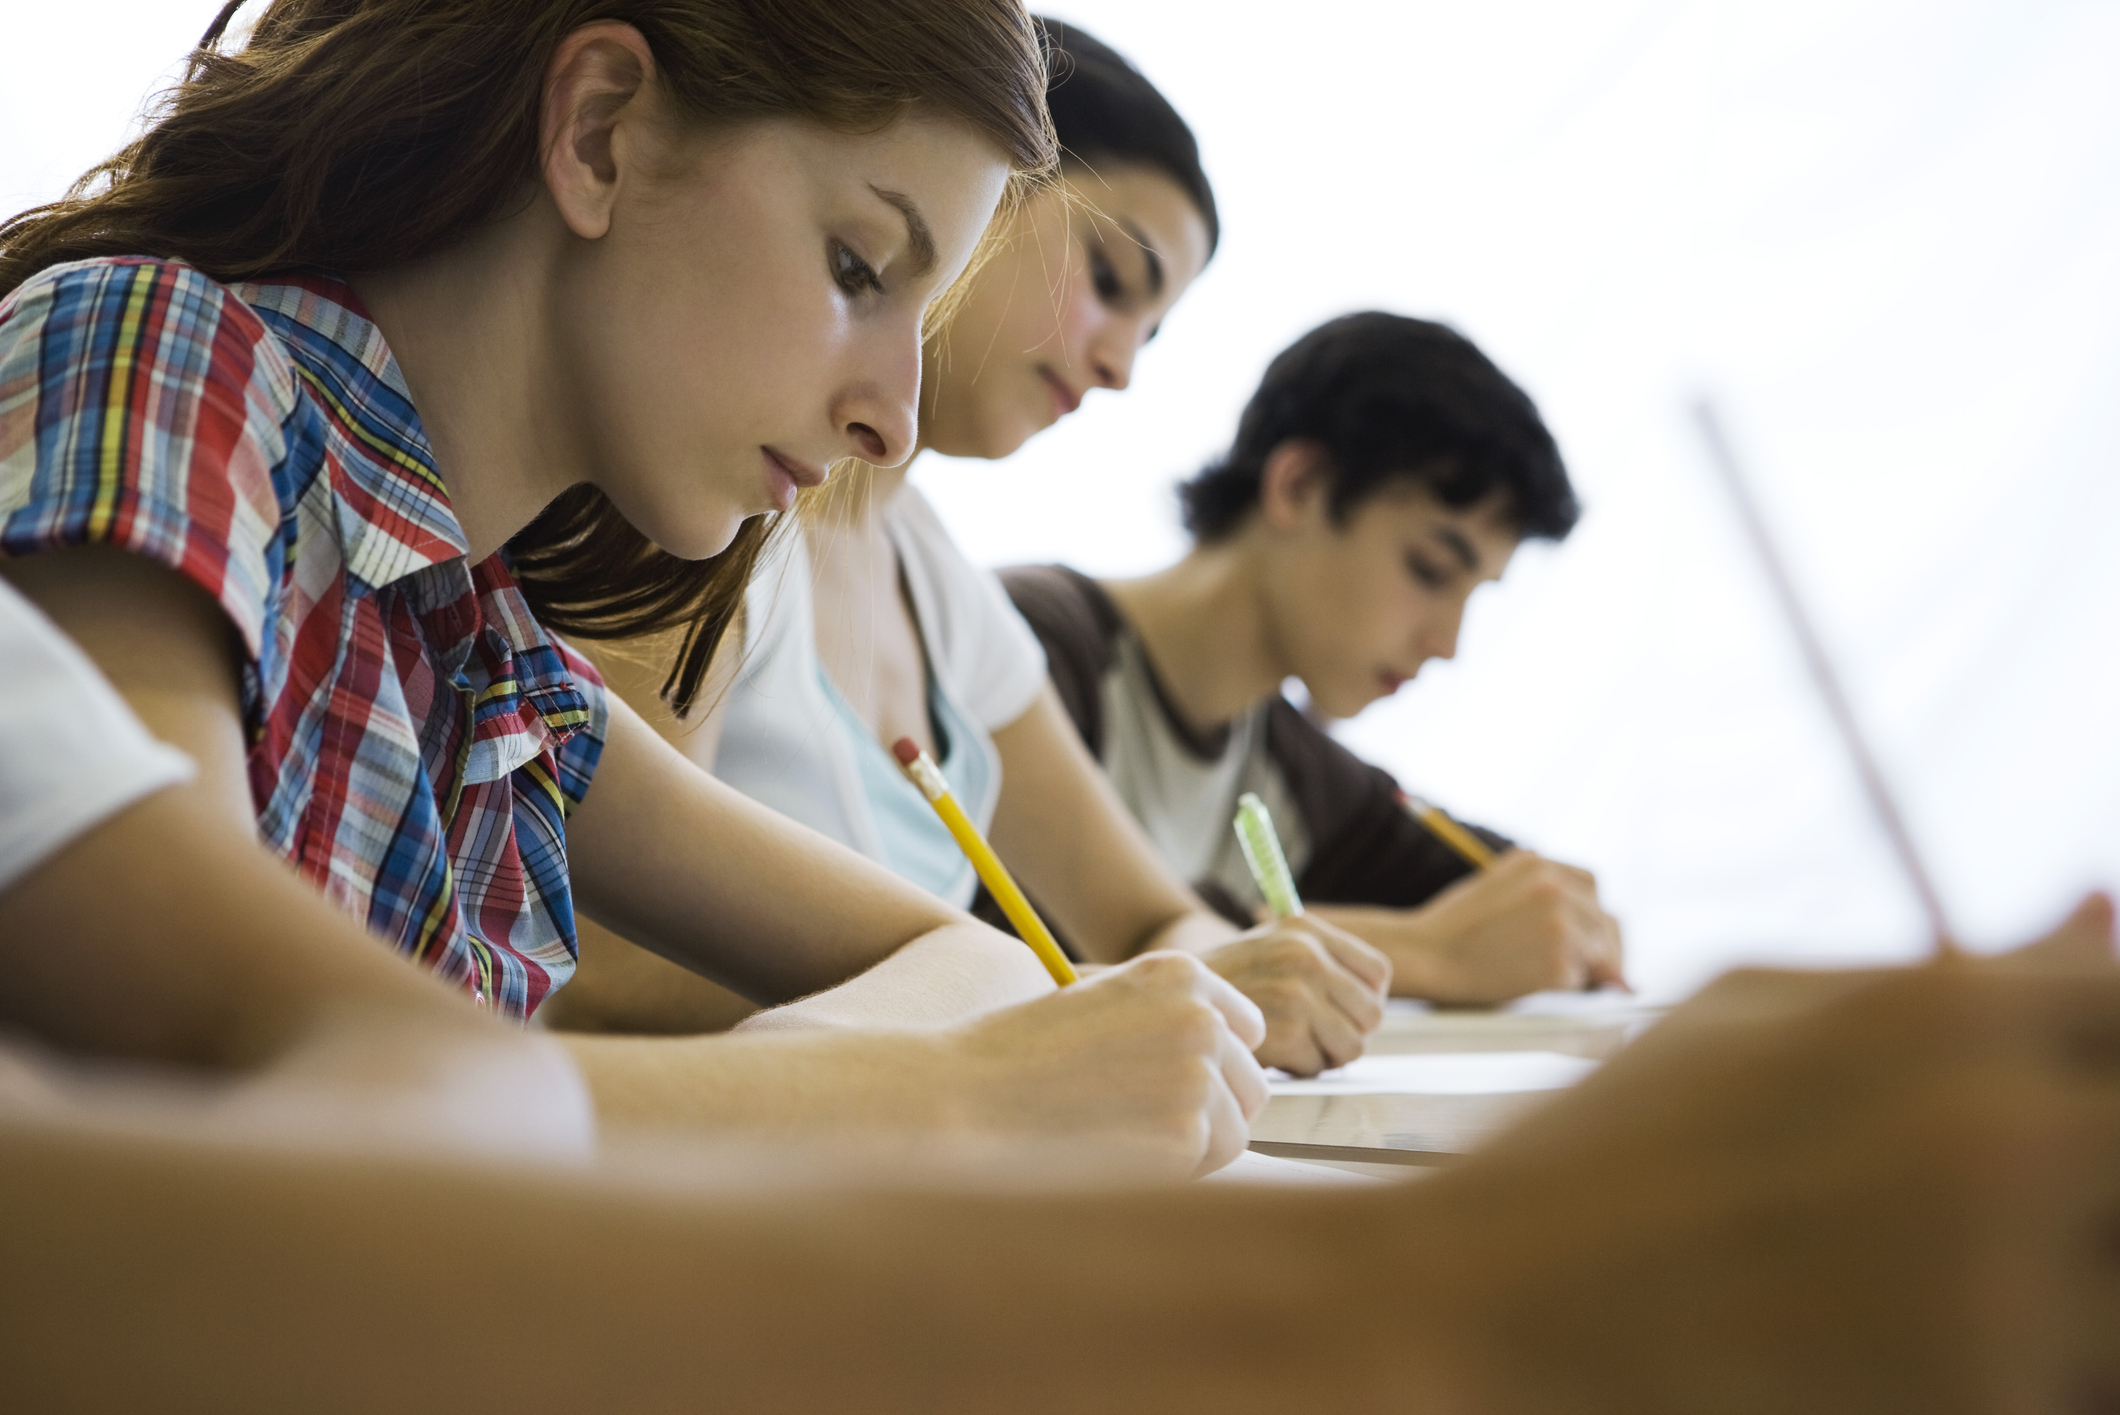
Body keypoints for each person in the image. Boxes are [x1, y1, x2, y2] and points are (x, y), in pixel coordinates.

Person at [0, 0, 1270, 1177]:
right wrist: (930, 1097)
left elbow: (969, 961)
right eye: (855, 267)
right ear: (599, 134)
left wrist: (878, 1085)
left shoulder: (486, 649)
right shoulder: (159, 356)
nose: (894, 418)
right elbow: (198, 1062)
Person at [550, 18, 1394, 1078]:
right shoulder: (702, 510)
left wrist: (1157, 979)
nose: (1122, 364)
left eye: (1154, 331)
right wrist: (1040, 1004)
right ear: (978, 197)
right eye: (1108, 277)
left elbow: (1145, 917)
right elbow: (599, 963)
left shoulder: (941, 584)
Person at [1004, 312, 1629, 1005]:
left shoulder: (1290, 765)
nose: (1447, 643)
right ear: (1299, 485)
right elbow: (1012, 952)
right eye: (1428, 569)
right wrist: (1431, 952)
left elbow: (1504, 896)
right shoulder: (1018, 648)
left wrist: (1560, 918)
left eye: (1475, 593)